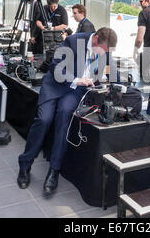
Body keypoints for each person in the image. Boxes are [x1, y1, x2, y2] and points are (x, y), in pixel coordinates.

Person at [17, 27, 118, 194]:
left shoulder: (105, 47)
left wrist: (118, 86)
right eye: (102, 51)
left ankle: (54, 171)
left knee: (64, 118)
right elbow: (55, 68)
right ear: (95, 40)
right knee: (44, 120)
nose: (103, 55)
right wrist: (77, 80)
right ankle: (25, 164)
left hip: (74, 92)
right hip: (55, 85)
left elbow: (113, 71)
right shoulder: (73, 41)